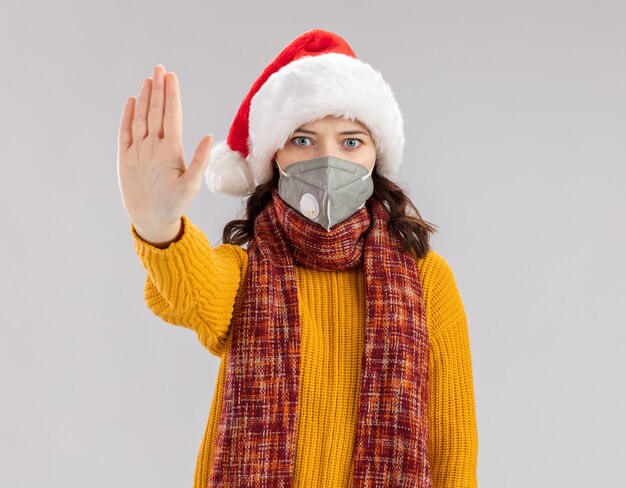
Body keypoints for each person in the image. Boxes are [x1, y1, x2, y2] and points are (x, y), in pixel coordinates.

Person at [117, 29, 478, 487]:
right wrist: (158, 224)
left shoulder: (427, 280)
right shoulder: (247, 270)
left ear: (376, 158)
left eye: (351, 142)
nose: (328, 159)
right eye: (303, 140)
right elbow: (188, 291)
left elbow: (453, 450)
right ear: (275, 157)